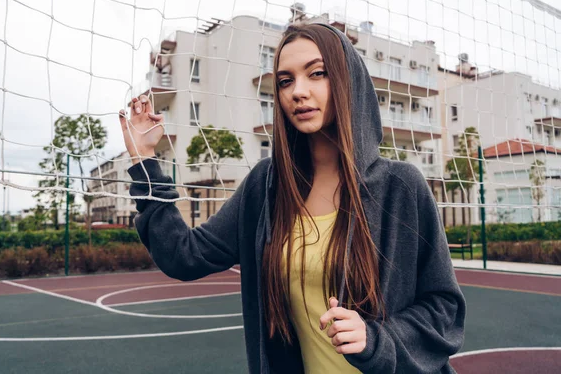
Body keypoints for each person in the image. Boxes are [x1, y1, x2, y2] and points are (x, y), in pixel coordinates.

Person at [118, 23, 465, 374]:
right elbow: (184, 255)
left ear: (347, 81)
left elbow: (444, 309)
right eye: (285, 81)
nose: (298, 91)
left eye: (316, 74)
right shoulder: (266, 186)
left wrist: (377, 339)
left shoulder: (400, 186)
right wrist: (143, 160)